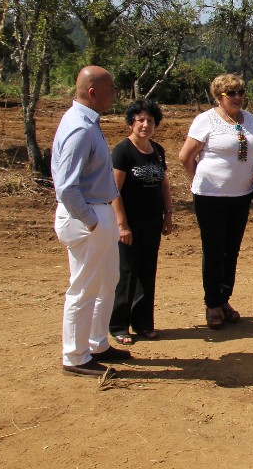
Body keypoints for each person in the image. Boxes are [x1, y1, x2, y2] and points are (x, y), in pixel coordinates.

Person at [52, 66, 129, 378]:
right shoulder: (80, 128)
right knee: (84, 288)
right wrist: (91, 221)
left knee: (107, 281)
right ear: (93, 92)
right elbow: (66, 186)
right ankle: (74, 356)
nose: (114, 94)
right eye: (110, 88)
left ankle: (97, 343)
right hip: (88, 214)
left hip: (99, 211)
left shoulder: (88, 122)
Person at [178, 74, 253, 330]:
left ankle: (225, 299)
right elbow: (185, 157)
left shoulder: (249, 119)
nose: (237, 97)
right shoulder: (205, 120)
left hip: (241, 195)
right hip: (210, 197)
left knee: (231, 250)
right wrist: (202, 181)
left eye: (240, 92)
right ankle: (212, 303)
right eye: (231, 93)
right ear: (218, 97)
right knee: (213, 250)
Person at [109, 99, 173, 344]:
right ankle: (118, 326)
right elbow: (114, 190)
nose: (146, 125)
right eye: (141, 120)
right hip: (130, 223)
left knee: (147, 272)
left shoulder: (157, 150)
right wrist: (122, 224)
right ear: (131, 123)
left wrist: (168, 214)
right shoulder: (122, 151)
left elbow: (164, 184)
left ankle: (144, 323)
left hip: (152, 221)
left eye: (150, 121)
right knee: (126, 273)